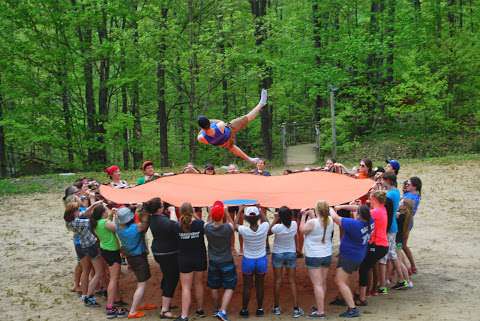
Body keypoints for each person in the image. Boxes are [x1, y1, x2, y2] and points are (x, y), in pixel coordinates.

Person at [197, 89, 268, 164]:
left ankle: (250, 159)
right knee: (247, 117)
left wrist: (218, 141)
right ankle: (261, 104)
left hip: (224, 142)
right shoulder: (220, 126)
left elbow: (206, 139)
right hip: (230, 129)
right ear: (208, 122)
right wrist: (210, 121)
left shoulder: (201, 138)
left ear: (202, 127)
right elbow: (219, 122)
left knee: (232, 147)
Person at [330, 205, 373, 318]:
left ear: (359, 215)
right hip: (357, 254)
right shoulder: (370, 220)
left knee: (340, 281)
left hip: (350, 256)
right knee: (345, 278)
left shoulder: (354, 224)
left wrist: (330, 207)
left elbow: (335, 218)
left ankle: (352, 308)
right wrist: (341, 207)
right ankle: (345, 299)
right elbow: (358, 207)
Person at [115, 207, 156, 319]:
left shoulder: (118, 228)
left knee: (140, 281)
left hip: (131, 257)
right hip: (139, 258)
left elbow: (116, 219)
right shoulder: (135, 228)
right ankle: (133, 311)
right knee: (141, 284)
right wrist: (146, 212)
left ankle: (142, 304)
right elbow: (145, 224)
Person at [64, 202, 104, 308]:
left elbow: (84, 213)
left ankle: (84, 294)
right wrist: (101, 212)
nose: (79, 211)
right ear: (73, 213)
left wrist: (94, 204)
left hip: (80, 245)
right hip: (89, 245)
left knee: (85, 270)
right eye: (77, 210)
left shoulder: (69, 221)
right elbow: (92, 222)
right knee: (96, 271)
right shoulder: (77, 222)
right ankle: (89, 296)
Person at [90, 204, 128, 318]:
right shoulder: (105, 223)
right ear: (103, 213)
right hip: (112, 251)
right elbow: (116, 227)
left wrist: (111, 214)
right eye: (106, 210)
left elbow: (107, 222)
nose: (108, 211)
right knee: (114, 279)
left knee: (113, 278)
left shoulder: (97, 223)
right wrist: (116, 216)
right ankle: (110, 307)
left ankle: (115, 300)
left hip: (105, 249)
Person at [145, 197, 180, 319]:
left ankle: (166, 304)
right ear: (159, 208)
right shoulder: (163, 220)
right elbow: (175, 225)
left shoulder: (152, 218)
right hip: (168, 253)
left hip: (159, 251)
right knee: (171, 278)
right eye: (162, 204)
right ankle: (165, 310)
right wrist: (173, 211)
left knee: (167, 276)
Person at [299, 201, 334, 318]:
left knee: (317, 284)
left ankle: (320, 311)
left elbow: (302, 230)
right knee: (322, 283)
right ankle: (320, 306)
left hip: (314, 255)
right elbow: (318, 224)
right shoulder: (330, 220)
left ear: (317, 210)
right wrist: (311, 215)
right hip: (326, 254)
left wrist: (304, 215)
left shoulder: (312, 222)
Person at [204, 202, 237, 321]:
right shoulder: (227, 228)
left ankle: (216, 309)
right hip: (226, 260)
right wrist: (227, 212)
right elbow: (233, 224)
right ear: (222, 215)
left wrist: (211, 212)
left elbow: (206, 222)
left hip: (213, 261)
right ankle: (222, 311)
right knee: (230, 286)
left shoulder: (207, 228)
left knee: (214, 286)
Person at [175, 202, 207, 321]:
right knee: (199, 284)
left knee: (186, 287)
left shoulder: (177, 226)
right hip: (199, 257)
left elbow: (176, 223)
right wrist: (195, 215)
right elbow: (201, 223)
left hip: (185, 259)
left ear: (180, 213)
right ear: (192, 212)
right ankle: (200, 309)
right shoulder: (200, 224)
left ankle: (184, 315)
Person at [378, 173, 409, 292]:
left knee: (387, 255)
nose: (382, 181)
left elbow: (382, 202)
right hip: (393, 226)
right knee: (392, 254)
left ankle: (384, 285)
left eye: (383, 180)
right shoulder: (395, 192)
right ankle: (400, 280)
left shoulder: (390, 194)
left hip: (389, 227)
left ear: (388, 181)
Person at [356, 191, 389, 306]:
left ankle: (363, 297)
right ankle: (371, 290)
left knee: (364, 268)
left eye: (370, 198)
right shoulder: (382, 209)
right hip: (380, 245)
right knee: (370, 266)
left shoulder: (376, 212)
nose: (369, 200)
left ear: (374, 199)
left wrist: (342, 207)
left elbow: (361, 216)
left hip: (377, 245)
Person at [236, 206, 269, 318]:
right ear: (258, 216)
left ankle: (244, 310)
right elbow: (266, 221)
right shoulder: (264, 227)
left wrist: (240, 211)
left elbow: (234, 226)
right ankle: (260, 309)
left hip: (248, 260)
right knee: (260, 286)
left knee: (247, 286)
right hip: (261, 260)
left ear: (246, 218)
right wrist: (260, 210)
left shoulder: (244, 230)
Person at [271, 206, 304, 318]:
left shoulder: (277, 227)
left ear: (280, 216)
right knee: (292, 281)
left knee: (278, 281)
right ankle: (296, 308)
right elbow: (294, 220)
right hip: (290, 253)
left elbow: (267, 232)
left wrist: (275, 219)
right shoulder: (294, 224)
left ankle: (276, 308)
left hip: (278, 253)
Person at [402, 176, 422, 274]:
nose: (406, 185)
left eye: (408, 184)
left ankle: (411, 267)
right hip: (408, 221)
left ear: (415, 186)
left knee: (401, 245)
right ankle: (411, 266)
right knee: (401, 245)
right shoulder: (414, 194)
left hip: (405, 222)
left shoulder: (411, 197)